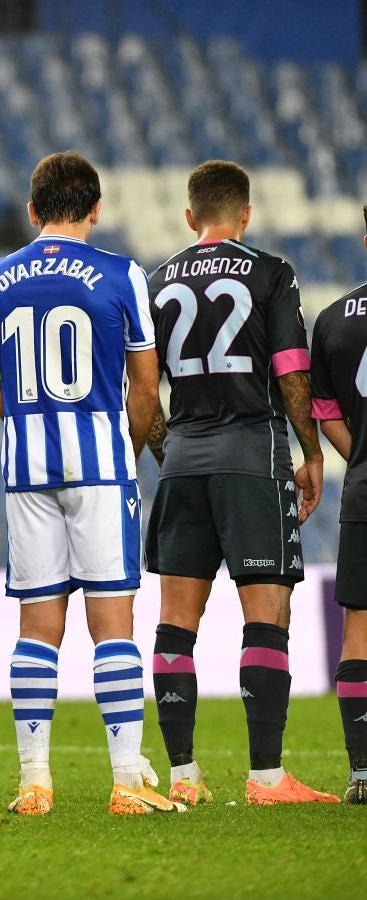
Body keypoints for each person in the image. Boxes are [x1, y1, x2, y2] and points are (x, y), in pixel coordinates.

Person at [0, 151, 178, 816]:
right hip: (100, 464)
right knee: (112, 624)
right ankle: (126, 779)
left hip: (26, 469)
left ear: (33, 211)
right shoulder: (121, 275)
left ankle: (34, 779)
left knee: (38, 627)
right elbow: (145, 386)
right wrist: (127, 448)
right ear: (94, 209)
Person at [146, 160, 338, 805]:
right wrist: (311, 454)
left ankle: (182, 776)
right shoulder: (270, 272)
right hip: (252, 458)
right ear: (246, 215)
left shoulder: (155, 280)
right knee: (267, 612)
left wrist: (169, 453)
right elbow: (290, 369)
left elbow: (142, 393)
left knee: (176, 621)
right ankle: (265, 777)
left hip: (183, 465)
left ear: (189, 216)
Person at [308, 203, 367, 804]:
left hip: (366, 487)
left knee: (360, 632)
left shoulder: (333, 319)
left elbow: (324, 415)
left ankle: (363, 772)